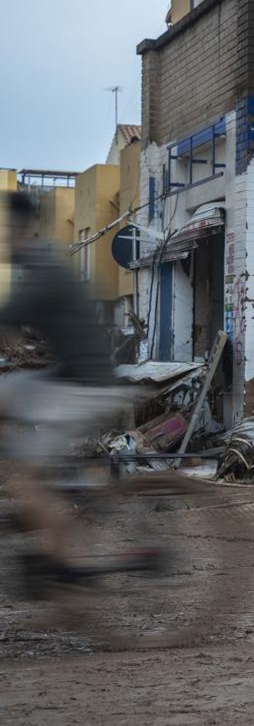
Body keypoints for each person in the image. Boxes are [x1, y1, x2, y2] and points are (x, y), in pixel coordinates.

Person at [0, 192, 120, 586]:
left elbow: (11, 312)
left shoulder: (44, 269)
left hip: (84, 387)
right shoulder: (35, 265)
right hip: (67, 377)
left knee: (29, 479)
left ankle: (59, 562)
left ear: (21, 228)